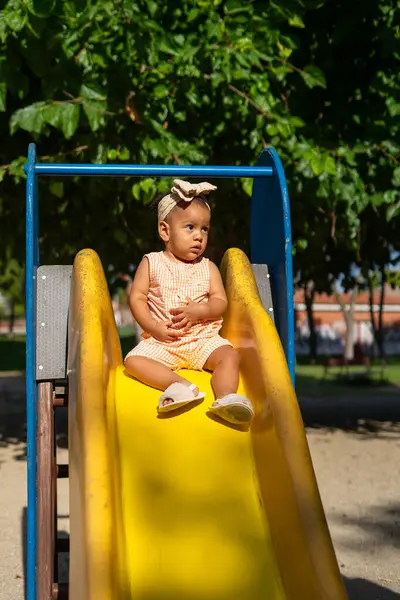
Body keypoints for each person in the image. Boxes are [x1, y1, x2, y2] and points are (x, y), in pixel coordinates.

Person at [124, 179, 254, 425]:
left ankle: (226, 398)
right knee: (133, 361)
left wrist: (201, 310)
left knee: (229, 356)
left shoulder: (208, 267)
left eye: (204, 229)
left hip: (201, 340)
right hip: (165, 341)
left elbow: (220, 301)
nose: (198, 236)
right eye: (190, 227)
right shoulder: (151, 262)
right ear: (165, 231)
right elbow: (137, 298)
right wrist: (153, 327)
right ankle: (181, 386)